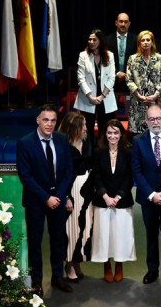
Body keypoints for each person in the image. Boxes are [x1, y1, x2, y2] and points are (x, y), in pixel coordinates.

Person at [17, 104, 74, 296]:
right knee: (35, 242)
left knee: (58, 240)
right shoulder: (25, 143)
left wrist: (59, 196)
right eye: (45, 120)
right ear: (37, 120)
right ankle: (36, 282)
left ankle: (58, 276)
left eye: (53, 120)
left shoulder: (62, 139)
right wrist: (46, 198)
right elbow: (25, 176)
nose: (49, 124)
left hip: (58, 200)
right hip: (36, 202)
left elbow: (68, 171)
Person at [131, 104, 161, 285]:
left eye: (159, 118)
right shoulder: (138, 141)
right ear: (146, 121)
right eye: (151, 119)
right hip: (147, 198)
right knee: (151, 236)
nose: (156, 122)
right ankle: (152, 271)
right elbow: (136, 171)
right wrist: (151, 194)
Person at [91, 119, 136, 283]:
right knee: (104, 235)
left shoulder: (129, 151)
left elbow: (129, 177)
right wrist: (105, 196)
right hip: (103, 200)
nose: (112, 136)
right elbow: (95, 176)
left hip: (122, 200)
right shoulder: (98, 152)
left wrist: (117, 197)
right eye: (109, 133)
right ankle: (106, 265)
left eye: (116, 133)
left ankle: (119, 264)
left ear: (121, 134)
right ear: (105, 134)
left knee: (120, 235)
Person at [59, 112, 94, 284]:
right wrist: (65, 196)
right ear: (74, 128)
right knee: (71, 230)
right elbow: (60, 174)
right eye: (84, 125)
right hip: (71, 191)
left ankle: (78, 261)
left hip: (87, 190)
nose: (87, 128)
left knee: (84, 228)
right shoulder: (62, 145)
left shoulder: (87, 141)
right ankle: (69, 264)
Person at [73, 29, 117, 144]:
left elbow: (112, 78)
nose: (91, 42)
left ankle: (104, 154)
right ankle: (88, 155)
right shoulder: (83, 55)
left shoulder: (109, 55)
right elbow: (80, 78)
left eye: (94, 40)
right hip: (88, 97)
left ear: (100, 41)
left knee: (105, 128)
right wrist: (90, 96)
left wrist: (102, 96)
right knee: (87, 130)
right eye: (90, 39)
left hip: (105, 97)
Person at [126, 30, 161, 135]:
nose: (145, 42)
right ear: (139, 43)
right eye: (142, 40)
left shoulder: (160, 59)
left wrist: (156, 95)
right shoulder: (133, 58)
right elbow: (129, 79)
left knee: (157, 131)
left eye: (148, 40)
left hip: (156, 100)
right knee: (138, 134)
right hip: (138, 101)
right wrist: (138, 95)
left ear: (152, 42)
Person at [106, 13, 137, 93]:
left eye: (126, 22)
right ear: (116, 23)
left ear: (129, 24)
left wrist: (127, 75)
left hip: (131, 81)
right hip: (111, 80)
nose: (123, 24)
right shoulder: (107, 40)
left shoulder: (136, 40)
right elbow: (105, 60)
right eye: (121, 21)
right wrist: (117, 73)